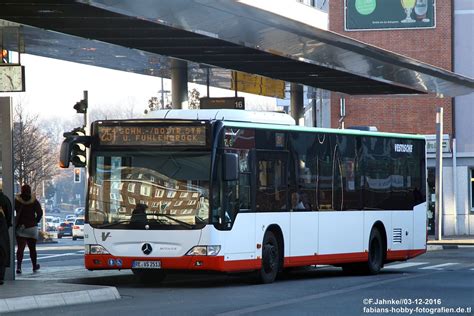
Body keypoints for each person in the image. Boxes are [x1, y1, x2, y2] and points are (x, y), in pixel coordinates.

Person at [15, 184, 43, 274]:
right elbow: (40, 212)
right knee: (32, 249)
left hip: (21, 227)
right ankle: (34, 266)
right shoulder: (34, 201)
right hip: (32, 227)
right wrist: (35, 221)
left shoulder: (17, 200)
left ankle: (19, 267)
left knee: (20, 249)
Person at [0, 182, 13, 285]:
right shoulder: (4, 199)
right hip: (1, 227)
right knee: (2, 251)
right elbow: (9, 215)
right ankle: (0, 276)